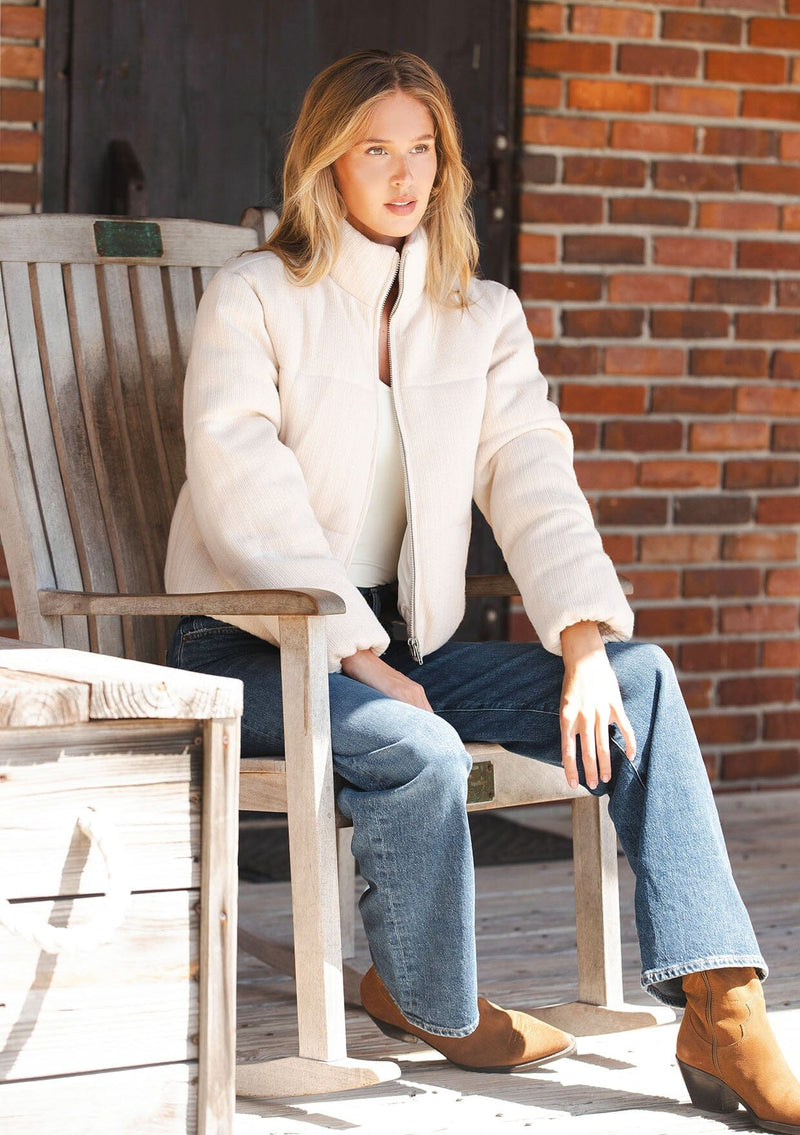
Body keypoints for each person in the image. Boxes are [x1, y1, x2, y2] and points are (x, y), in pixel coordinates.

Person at [165, 49, 799, 1131]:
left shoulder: (480, 314)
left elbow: (532, 474)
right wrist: (359, 659)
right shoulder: (254, 295)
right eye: (376, 149)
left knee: (642, 682)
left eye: (423, 150)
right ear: (326, 162)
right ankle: (430, 1000)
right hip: (254, 640)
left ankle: (720, 1003)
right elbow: (244, 492)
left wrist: (584, 643)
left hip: (402, 647)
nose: (403, 175)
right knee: (411, 745)